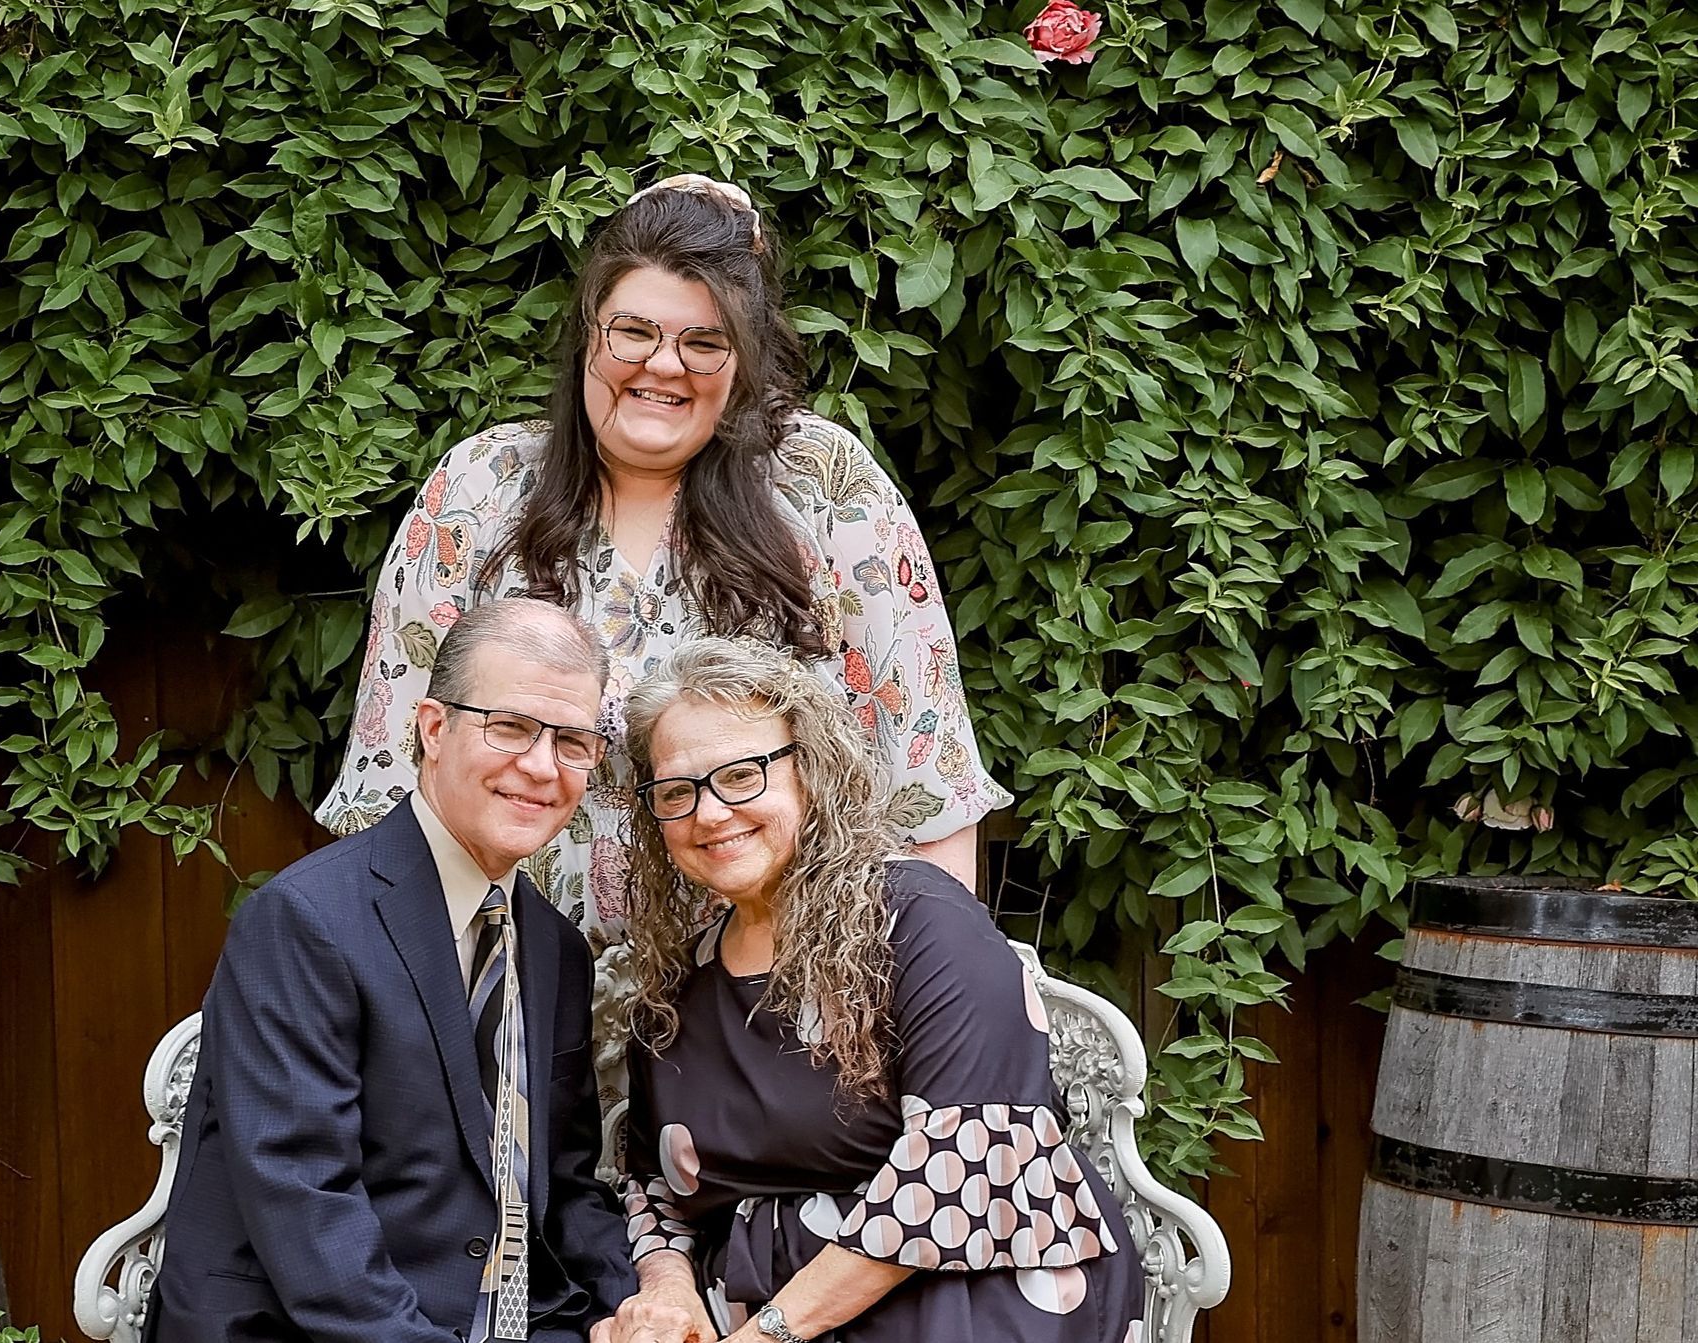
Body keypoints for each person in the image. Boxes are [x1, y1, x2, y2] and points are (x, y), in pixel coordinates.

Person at [315, 173, 1010, 937]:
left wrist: (931, 990)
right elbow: (386, 786)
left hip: (777, 1008)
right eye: (634, 330)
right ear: (589, 330)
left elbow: (929, 783)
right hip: (509, 1000)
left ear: (743, 360)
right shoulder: (479, 491)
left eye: (705, 343)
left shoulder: (825, 488)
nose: (664, 365)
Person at [148, 599, 688, 1343]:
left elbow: (564, 1186)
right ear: (434, 729)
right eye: (511, 726)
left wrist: (636, 1309)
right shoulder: (306, 919)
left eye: (572, 741)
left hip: (516, 1318)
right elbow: (308, 1203)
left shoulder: (554, 947)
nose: (540, 766)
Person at [604, 637, 1144, 1343]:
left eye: (741, 775)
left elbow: (964, 1169)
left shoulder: (920, 922)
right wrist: (669, 1293)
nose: (708, 812)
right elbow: (651, 1183)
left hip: (964, 1302)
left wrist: (766, 1334)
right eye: (677, 790)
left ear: (812, 772)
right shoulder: (685, 979)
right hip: (756, 1315)